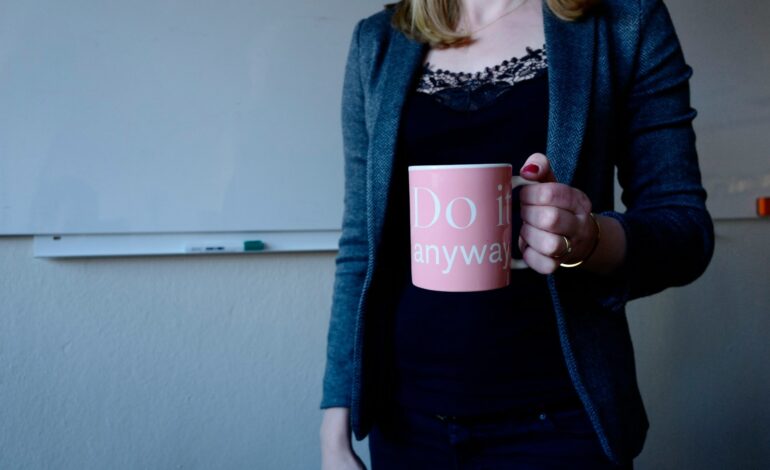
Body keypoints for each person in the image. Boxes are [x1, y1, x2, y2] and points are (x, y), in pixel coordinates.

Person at [320, 0, 714, 468]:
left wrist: (588, 240)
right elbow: (361, 246)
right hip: (406, 422)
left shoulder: (626, 21)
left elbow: (685, 229)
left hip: (562, 423)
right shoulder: (378, 41)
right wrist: (334, 427)